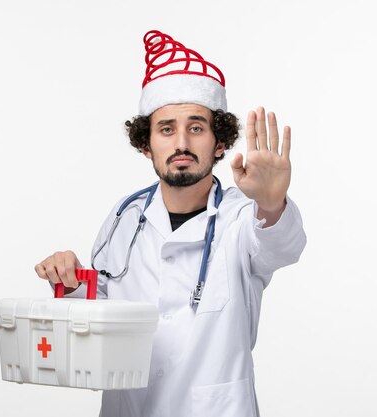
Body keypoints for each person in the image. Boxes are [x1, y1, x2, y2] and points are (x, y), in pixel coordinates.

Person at [34, 30, 307, 417]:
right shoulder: (124, 218)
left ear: (219, 142)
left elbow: (282, 246)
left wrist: (271, 201)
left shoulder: (241, 217)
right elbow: (102, 320)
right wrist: (76, 284)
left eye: (196, 128)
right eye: (166, 129)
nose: (181, 142)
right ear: (146, 144)